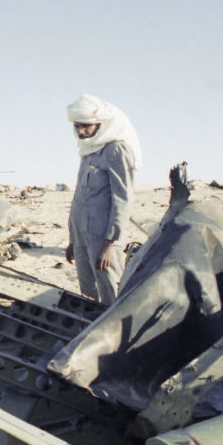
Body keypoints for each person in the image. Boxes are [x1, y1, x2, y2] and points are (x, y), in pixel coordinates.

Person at [64, 94, 141, 305]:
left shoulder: (117, 150)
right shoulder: (88, 151)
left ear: (101, 124)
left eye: (86, 126)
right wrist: (73, 239)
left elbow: (123, 199)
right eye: (77, 126)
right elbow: (80, 199)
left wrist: (111, 243)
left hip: (103, 239)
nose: (81, 131)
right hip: (82, 237)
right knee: (88, 295)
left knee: (111, 292)